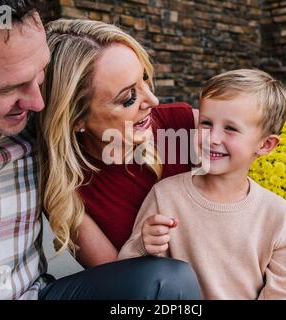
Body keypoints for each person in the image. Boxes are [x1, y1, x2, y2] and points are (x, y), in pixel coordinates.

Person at [0, 0, 201, 300]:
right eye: (9, 89)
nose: (38, 104)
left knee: (165, 280)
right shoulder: (63, 173)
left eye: (40, 74)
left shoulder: (34, 131)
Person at [119, 69, 286, 300]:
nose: (212, 138)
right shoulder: (166, 195)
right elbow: (130, 277)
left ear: (266, 145)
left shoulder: (275, 212)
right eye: (206, 123)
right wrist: (145, 245)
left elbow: (283, 291)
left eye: (230, 128)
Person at [37, 18, 200, 269]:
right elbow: (123, 285)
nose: (153, 100)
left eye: (144, 79)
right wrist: (139, 245)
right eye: (128, 98)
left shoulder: (183, 124)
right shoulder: (67, 192)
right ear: (75, 118)